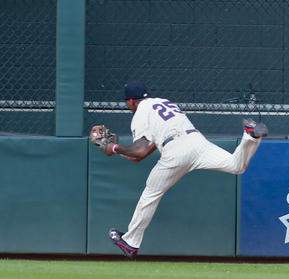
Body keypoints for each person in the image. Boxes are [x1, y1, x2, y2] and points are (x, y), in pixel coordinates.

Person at [103, 80, 267, 257]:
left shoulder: (141, 113)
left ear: (131, 101)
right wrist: (117, 149)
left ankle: (131, 242)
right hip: (197, 142)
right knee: (236, 166)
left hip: (176, 150)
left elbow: (140, 151)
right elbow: (141, 155)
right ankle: (250, 137)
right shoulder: (165, 102)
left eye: (127, 102)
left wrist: (114, 147)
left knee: (151, 194)